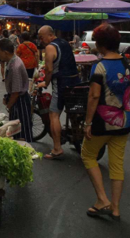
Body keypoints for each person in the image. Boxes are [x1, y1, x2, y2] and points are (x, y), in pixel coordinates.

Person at [82, 24, 130, 221]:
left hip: (103, 122)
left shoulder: (99, 66)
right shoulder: (126, 65)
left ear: (101, 44)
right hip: (125, 121)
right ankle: (116, 208)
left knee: (87, 155)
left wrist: (87, 123)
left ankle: (102, 200)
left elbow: (94, 96)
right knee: (117, 164)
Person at [39, 25, 79, 160]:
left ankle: (57, 148)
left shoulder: (50, 47)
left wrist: (46, 82)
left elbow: (49, 69)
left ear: (50, 35)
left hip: (61, 83)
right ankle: (78, 139)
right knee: (73, 112)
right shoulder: (65, 43)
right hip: (75, 81)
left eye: (42, 37)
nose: (41, 40)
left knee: (54, 115)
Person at [0, 38, 33, 142]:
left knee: (20, 132)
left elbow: (16, 92)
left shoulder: (15, 66)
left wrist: (9, 105)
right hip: (16, 99)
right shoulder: (11, 62)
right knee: (15, 130)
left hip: (20, 102)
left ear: (6, 52)